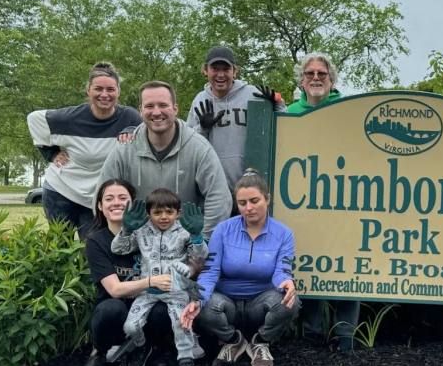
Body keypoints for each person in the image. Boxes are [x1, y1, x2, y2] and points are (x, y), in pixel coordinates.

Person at [192, 171, 300, 366]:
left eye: (254, 201)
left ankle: (261, 342)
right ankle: (233, 340)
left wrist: (285, 282)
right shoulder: (223, 230)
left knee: (290, 302)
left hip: (260, 305)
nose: (248, 208)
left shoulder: (284, 234)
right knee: (201, 303)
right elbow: (210, 271)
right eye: (242, 203)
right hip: (226, 304)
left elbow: (282, 271)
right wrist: (198, 299)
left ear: (267, 199)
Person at [287, 52, 359, 350]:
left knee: (351, 264)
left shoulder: (348, 111)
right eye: (310, 73)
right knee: (310, 262)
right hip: (305, 204)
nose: (316, 78)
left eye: (322, 74)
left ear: (332, 80)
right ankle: (312, 332)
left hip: (346, 201)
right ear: (302, 80)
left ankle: (345, 336)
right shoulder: (290, 113)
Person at [98, 81, 232, 238]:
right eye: (149, 106)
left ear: (175, 109)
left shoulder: (198, 148)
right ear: (140, 110)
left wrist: (202, 240)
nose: (156, 112)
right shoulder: (124, 149)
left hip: (185, 242)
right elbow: (102, 195)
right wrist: (122, 238)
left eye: (163, 105)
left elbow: (219, 198)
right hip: (137, 243)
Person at [77, 178, 179, 366]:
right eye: (109, 199)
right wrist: (150, 281)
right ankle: (98, 353)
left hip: (148, 304)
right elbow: (114, 289)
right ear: (100, 206)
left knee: (163, 309)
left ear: (133, 203)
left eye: (123, 198)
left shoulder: (151, 234)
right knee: (111, 309)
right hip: (117, 309)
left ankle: (151, 346)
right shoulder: (96, 241)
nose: (116, 203)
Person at [27, 62, 142, 234]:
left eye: (110, 89)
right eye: (98, 89)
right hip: (61, 190)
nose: (104, 94)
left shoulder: (130, 117)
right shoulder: (67, 118)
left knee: (92, 245)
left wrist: (132, 130)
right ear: (88, 90)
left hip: (97, 196)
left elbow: (145, 134)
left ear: (118, 91)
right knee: (59, 243)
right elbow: (34, 119)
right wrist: (51, 153)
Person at [107, 188, 208, 366]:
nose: (163, 217)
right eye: (157, 212)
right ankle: (141, 346)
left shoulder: (184, 231)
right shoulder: (142, 231)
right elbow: (118, 249)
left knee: (181, 323)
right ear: (148, 214)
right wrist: (126, 230)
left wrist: (197, 236)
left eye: (169, 212)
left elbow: (201, 256)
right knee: (131, 326)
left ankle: (186, 360)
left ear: (178, 213)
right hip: (148, 291)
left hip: (176, 290)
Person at [185, 45, 285, 193]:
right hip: (215, 187)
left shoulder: (252, 94)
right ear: (205, 70)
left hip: (252, 184)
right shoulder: (200, 100)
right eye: (215, 69)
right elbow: (189, 145)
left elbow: (282, 128)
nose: (220, 75)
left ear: (235, 71)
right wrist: (203, 128)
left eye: (226, 69)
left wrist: (276, 105)